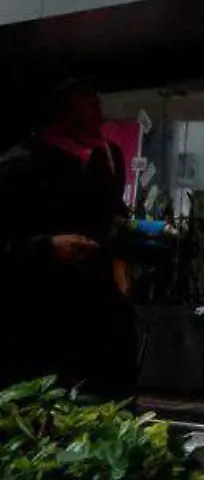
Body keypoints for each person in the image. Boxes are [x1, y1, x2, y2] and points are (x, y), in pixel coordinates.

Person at [0, 80, 140, 397]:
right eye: (85, 106)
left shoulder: (104, 161)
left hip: (98, 329)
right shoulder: (18, 168)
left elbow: (111, 224)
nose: (97, 113)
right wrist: (46, 249)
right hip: (38, 329)